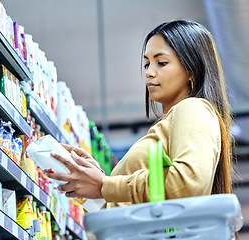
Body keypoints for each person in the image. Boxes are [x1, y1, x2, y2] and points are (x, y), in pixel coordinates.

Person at [45, 19, 234, 209]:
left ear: (192, 70)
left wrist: (105, 186)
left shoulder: (193, 108)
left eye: (161, 62)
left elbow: (189, 182)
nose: (149, 73)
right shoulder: (173, 122)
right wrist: (97, 181)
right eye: (146, 64)